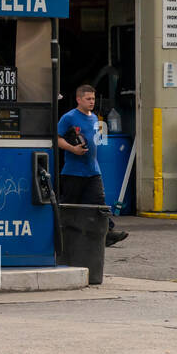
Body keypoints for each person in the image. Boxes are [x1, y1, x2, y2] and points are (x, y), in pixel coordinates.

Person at [57, 84, 128, 246]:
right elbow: (57, 138)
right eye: (88, 99)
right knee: (70, 206)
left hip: (93, 170)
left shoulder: (95, 118)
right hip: (73, 172)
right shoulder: (69, 117)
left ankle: (107, 234)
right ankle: (62, 237)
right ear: (78, 99)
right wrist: (72, 148)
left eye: (93, 99)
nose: (91, 102)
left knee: (99, 203)